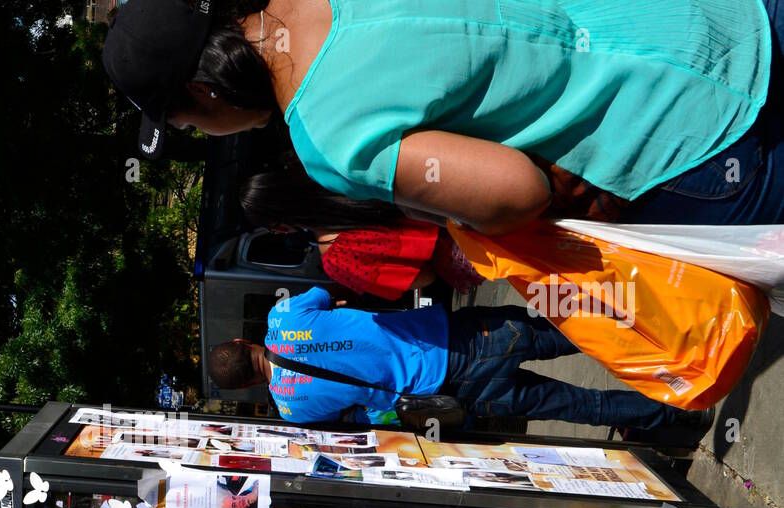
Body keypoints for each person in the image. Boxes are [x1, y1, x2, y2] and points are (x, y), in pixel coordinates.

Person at [104, 0, 784, 231]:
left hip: (676, 137)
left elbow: (516, 191)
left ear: (205, 95)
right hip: (703, 15)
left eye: (191, 127)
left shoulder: (328, 140)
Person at [206, 286, 714, 440]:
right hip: (461, 334)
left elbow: (358, 421)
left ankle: (685, 416)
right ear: (241, 339)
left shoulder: (293, 412)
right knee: (580, 332)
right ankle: (690, 332)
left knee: (581, 406)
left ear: (248, 388)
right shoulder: (286, 313)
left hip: (459, 392)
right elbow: (332, 296)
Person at [239, 161, 484, 299]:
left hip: (470, 256)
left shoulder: (338, 259)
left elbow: (424, 278)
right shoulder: (337, 168)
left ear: (281, 227)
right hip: (469, 192)